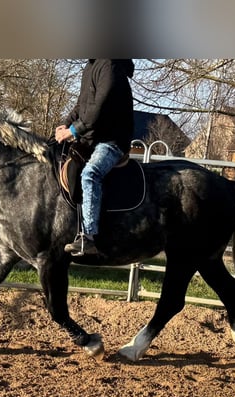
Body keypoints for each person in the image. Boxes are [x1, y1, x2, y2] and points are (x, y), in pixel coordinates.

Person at [55, 59, 135, 256]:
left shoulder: (110, 65)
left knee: (91, 173)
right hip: (91, 139)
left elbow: (100, 108)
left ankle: (88, 237)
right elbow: (80, 106)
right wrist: (65, 125)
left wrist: (73, 131)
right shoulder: (90, 67)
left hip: (112, 142)